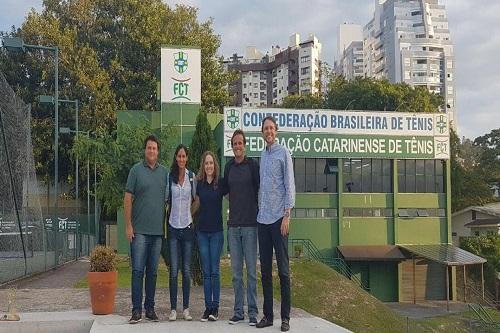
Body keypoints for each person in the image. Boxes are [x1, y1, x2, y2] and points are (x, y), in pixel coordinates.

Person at [256, 116, 295, 332]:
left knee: (283, 271)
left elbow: (289, 184)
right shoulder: (262, 155)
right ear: (262, 133)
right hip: (263, 220)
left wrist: (287, 215)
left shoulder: (284, 153)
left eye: (271, 128)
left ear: (276, 131)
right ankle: (268, 316)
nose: (268, 131)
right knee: (265, 272)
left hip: (279, 220)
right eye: (265, 129)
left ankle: (286, 318)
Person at [124, 134, 167, 324]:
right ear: (145, 150)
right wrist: (128, 225)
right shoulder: (135, 170)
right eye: (149, 148)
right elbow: (127, 199)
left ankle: (150, 309)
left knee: (153, 273)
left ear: (158, 151)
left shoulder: (164, 173)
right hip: (139, 231)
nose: (152, 151)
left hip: (157, 233)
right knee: (137, 271)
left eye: (154, 148)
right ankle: (136, 310)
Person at [223, 129, 260, 326]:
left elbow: (259, 190)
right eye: (234, 143)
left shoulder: (253, 165)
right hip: (233, 227)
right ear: (232, 146)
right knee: (236, 273)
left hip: (250, 226)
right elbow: (224, 191)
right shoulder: (228, 167)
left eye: (240, 143)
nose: (237, 146)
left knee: (251, 272)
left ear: (245, 145)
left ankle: (253, 312)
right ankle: (238, 312)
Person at [166, 144, 197, 321]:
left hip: (187, 228)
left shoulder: (192, 177)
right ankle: (172, 309)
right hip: (172, 228)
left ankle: (185, 308)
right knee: (173, 271)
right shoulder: (169, 177)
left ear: (187, 158)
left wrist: (190, 214)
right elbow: (165, 198)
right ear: (176, 158)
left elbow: (197, 199)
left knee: (186, 270)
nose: (181, 159)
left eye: (184, 156)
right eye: (179, 156)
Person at [195, 151, 225, 322]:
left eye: (211, 163)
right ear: (203, 166)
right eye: (206, 163)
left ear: (215, 165)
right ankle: (207, 308)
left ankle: (216, 307)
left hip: (216, 233)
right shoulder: (199, 184)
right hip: (202, 233)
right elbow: (196, 204)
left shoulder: (220, 184)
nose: (208, 166)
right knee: (206, 272)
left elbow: (232, 197)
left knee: (215, 271)